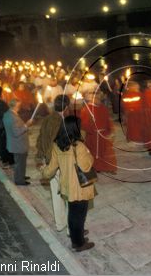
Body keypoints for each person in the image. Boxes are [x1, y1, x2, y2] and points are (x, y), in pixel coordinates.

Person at [40, 116, 96, 252]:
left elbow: (52, 168)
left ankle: (77, 237)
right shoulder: (79, 146)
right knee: (79, 215)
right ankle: (78, 243)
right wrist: (90, 154)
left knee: (72, 214)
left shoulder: (57, 145)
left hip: (67, 186)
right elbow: (87, 166)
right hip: (80, 187)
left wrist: (44, 172)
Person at [36, 95, 70, 231]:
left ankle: (60, 224)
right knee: (68, 195)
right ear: (66, 107)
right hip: (59, 163)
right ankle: (70, 228)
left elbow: (40, 139)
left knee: (56, 195)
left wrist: (41, 158)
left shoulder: (46, 119)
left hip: (49, 162)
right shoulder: (62, 122)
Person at [80, 91, 117, 174]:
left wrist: (111, 130)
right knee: (94, 152)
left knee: (107, 151)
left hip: (104, 134)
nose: (99, 100)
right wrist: (91, 124)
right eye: (96, 98)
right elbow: (83, 124)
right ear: (92, 99)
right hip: (93, 135)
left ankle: (109, 167)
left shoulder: (103, 108)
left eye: (99, 98)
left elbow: (108, 120)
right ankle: (96, 167)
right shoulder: (86, 109)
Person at [3, 99, 34, 186]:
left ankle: (21, 176)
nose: (19, 107)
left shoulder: (7, 114)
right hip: (18, 144)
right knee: (19, 163)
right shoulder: (13, 117)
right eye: (18, 106)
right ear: (14, 106)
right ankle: (19, 180)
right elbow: (16, 132)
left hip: (16, 143)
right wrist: (26, 125)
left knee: (21, 163)